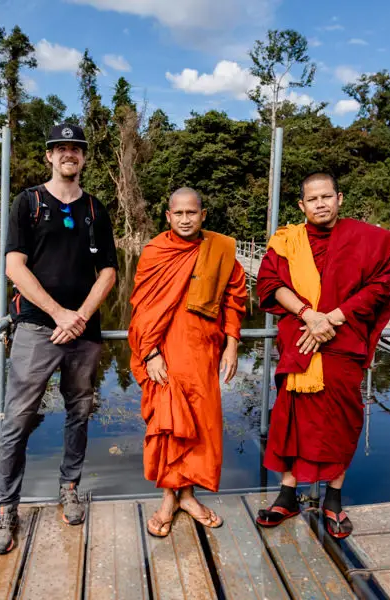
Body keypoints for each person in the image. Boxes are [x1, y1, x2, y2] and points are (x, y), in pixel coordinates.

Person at [0, 123, 119, 554]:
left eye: (76, 149)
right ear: (49, 156)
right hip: (35, 328)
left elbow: (108, 273)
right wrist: (58, 313)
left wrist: (80, 316)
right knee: (17, 420)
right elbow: (15, 267)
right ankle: (6, 506)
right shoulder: (28, 202)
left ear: (83, 157)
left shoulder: (96, 209)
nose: (69, 154)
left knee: (78, 412)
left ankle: (70, 486)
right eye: (60, 148)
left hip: (84, 332)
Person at [255, 172, 390, 539]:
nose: (320, 204)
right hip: (301, 340)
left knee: (340, 421)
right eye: (312, 199)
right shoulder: (288, 240)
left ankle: (333, 500)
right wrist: (309, 316)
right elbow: (270, 283)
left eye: (327, 197)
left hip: (342, 341)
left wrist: (332, 318)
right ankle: (288, 496)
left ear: (340, 199)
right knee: (290, 420)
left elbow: (380, 285)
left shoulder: (365, 239)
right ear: (301, 206)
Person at [128, 187, 247, 537]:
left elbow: (234, 298)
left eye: (191, 213)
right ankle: (169, 498)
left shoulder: (220, 250)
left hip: (204, 352)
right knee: (168, 425)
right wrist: (149, 353)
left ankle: (189, 496)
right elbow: (142, 308)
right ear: (168, 216)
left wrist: (232, 344)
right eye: (178, 213)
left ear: (203, 215)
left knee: (200, 424)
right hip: (164, 353)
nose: (184, 219)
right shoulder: (155, 252)